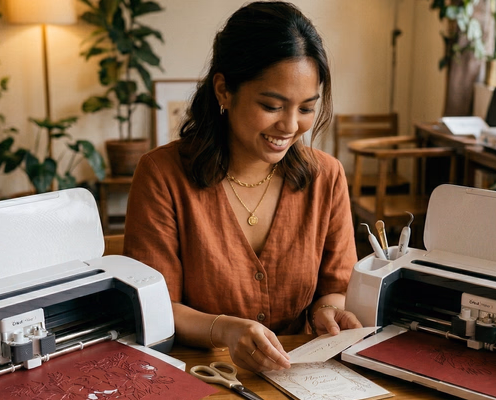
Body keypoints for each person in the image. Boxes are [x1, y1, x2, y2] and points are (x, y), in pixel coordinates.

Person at [124, 1, 362, 372]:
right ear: (224, 90)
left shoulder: (326, 177)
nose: (290, 126)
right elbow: (155, 306)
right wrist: (226, 330)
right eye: (271, 105)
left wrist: (329, 313)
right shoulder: (162, 175)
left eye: (305, 108)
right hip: (199, 375)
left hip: (301, 373)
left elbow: (335, 286)